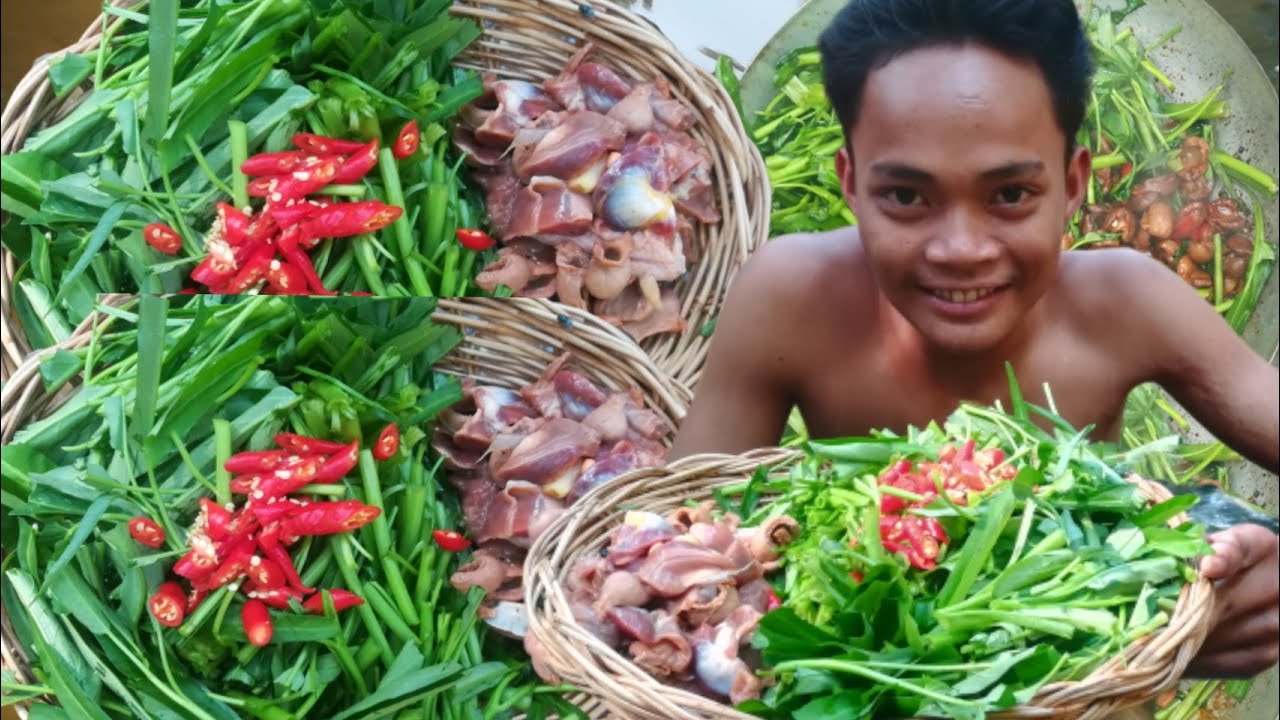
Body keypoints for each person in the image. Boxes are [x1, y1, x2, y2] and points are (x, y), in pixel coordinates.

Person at [671, 0, 1279, 679]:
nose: (961, 250)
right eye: (907, 196)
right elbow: (670, 543)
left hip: (1078, 692)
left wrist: (1239, 591)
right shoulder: (791, 298)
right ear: (851, 184)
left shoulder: (1125, 302)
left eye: (1011, 194)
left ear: (1072, 184)